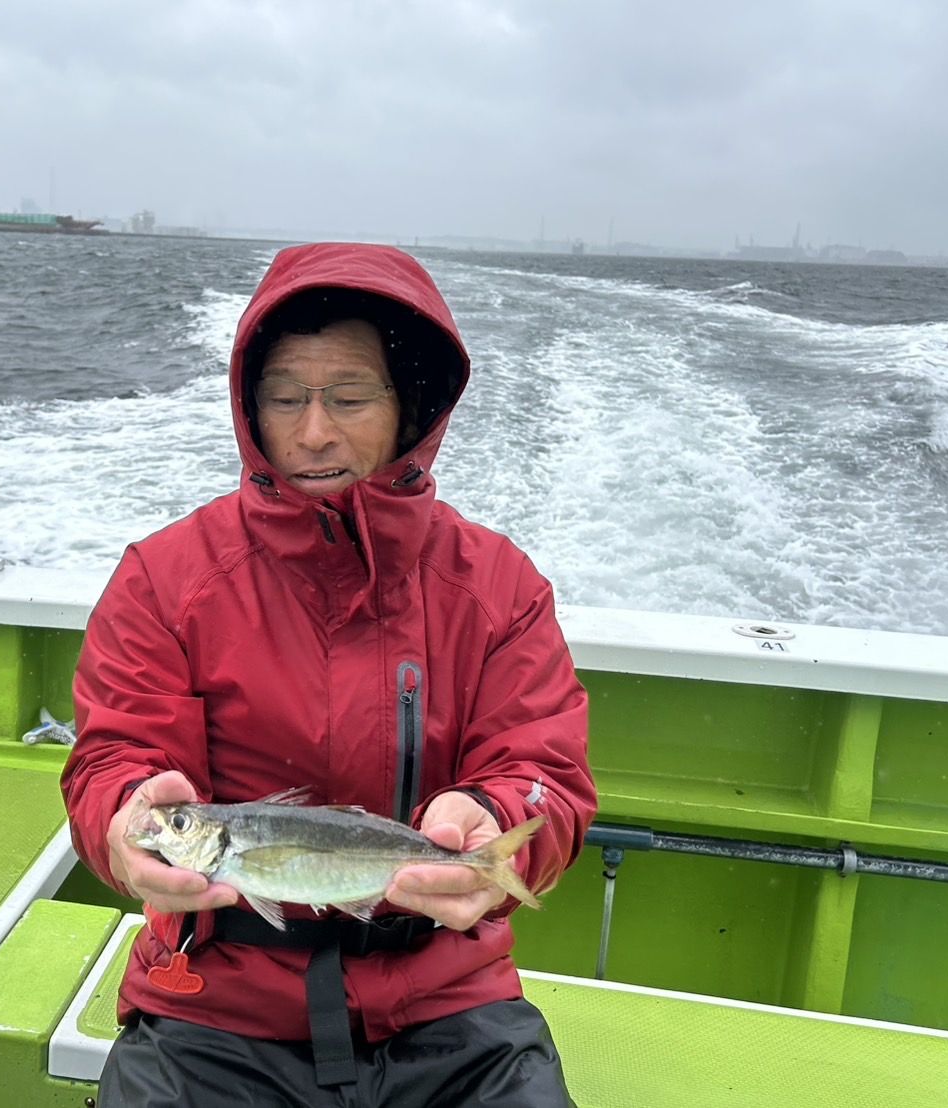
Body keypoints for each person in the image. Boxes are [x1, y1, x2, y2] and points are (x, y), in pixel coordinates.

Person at [62, 242, 596, 1106]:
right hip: (216, 1002)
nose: (313, 432)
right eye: (284, 399)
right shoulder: (164, 579)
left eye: (348, 398)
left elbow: (545, 772)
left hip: (448, 1000)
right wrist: (123, 820)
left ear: (408, 407)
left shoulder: (499, 586)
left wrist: (496, 817)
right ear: (250, 411)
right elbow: (114, 758)